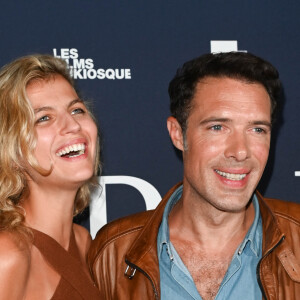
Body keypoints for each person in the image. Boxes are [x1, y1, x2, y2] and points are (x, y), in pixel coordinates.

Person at [88, 52, 300, 300]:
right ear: (178, 134)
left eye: (257, 129)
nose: (240, 151)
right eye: (218, 127)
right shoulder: (112, 253)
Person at [0, 54, 101, 299]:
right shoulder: (8, 254)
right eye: (44, 118)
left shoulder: (85, 243)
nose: (73, 125)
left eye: (77, 110)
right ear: (11, 150)